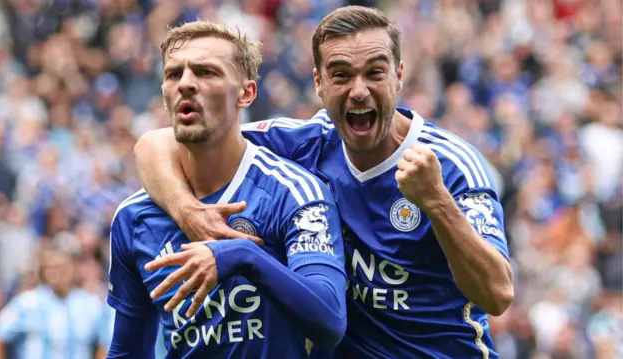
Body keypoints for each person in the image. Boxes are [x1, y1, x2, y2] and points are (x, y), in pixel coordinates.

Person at [134, 6, 514, 359]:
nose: (359, 90)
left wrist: (437, 201)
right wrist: (188, 212)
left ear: (399, 75)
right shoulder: (305, 143)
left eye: (375, 73)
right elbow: (156, 143)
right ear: (319, 83)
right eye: (342, 75)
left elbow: (497, 294)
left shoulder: (452, 166)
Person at [106, 21, 347, 359]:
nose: (186, 84)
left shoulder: (293, 193)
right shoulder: (134, 217)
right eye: (174, 75)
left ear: (246, 94)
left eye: (206, 72)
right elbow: (128, 349)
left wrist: (242, 256)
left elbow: (330, 319)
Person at [0, 244, 112, 359]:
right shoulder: (26, 303)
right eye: (49, 269)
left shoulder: (91, 305)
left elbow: (104, 346)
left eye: (61, 267)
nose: (56, 274)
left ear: (73, 268)